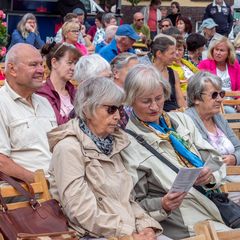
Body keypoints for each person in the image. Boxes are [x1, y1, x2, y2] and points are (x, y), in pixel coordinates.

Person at [48, 76, 169, 239]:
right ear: (86, 109)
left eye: (119, 109)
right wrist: (128, 233)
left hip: (124, 229)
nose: (118, 116)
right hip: (94, 234)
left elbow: (127, 201)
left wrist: (146, 225)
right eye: (110, 109)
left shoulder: (112, 144)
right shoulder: (68, 148)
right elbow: (80, 211)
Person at [121, 64, 229, 239]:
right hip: (184, 221)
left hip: (215, 204)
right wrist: (163, 204)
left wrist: (209, 177)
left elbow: (215, 159)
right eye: (146, 101)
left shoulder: (181, 121)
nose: (155, 106)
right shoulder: (127, 144)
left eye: (159, 98)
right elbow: (134, 204)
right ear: (131, 100)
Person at [0, 43, 57, 182]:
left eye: (41, 64)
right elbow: (1, 162)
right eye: (33, 65)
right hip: (28, 194)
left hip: (58, 186)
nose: (41, 70)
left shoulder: (44, 102)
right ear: (12, 69)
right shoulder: (2, 103)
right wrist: (42, 183)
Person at [185, 71, 240, 204]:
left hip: (235, 175)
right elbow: (202, 160)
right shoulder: (187, 121)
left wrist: (234, 158)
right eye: (214, 95)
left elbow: (239, 148)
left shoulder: (218, 118)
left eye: (221, 94)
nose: (220, 99)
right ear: (196, 98)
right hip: (218, 185)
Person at [36, 42, 81, 125]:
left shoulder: (73, 90)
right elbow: (59, 124)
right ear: (54, 63)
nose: (73, 68)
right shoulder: (43, 92)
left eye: (75, 64)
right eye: (69, 63)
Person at [152, 34, 186, 111]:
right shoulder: (147, 74)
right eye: (172, 53)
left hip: (176, 114)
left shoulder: (173, 73)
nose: (175, 56)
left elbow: (180, 100)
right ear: (159, 54)